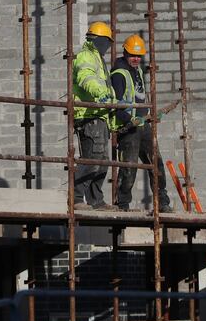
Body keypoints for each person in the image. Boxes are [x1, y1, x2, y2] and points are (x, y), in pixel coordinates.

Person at [110, 34, 173, 213]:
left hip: (143, 125)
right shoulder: (119, 74)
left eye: (139, 56)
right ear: (125, 52)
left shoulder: (136, 70)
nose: (136, 58)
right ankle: (122, 205)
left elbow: (138, 98)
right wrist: (131, 120)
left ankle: (162, 202)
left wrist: (147, 115)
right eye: (132, 55)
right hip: (129, 127)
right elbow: (115, 105)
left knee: (156, 163)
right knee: (129, 168)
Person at [73, 21, 117, 211]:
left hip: (100, 115)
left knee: (102, 161)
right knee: (93, 159)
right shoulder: (86, 56)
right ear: (101, 40)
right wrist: (101, 93)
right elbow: (86, 78)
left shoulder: (98, 57)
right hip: (89, 115)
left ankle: (96, 200)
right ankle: (75, 198)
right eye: (107, 42)